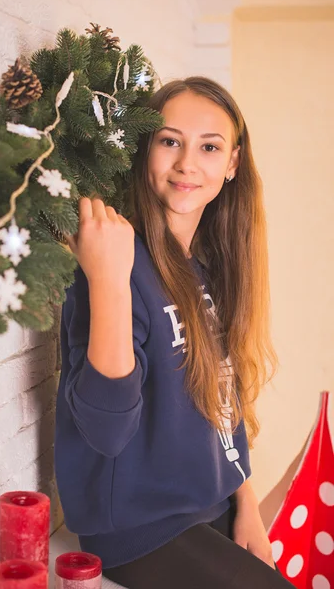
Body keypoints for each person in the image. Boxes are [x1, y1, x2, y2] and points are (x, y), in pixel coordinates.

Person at [55, 77, 294, 588]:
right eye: (169, 141)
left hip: (210, 506)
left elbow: (220, 401)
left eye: (209, 147)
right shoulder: (115, 262)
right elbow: (107, 429)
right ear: (146, 150)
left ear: (231, 164)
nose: (188, 163)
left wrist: (244, 498)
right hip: (140, 532)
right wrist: (109, 281)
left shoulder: (204, 271)